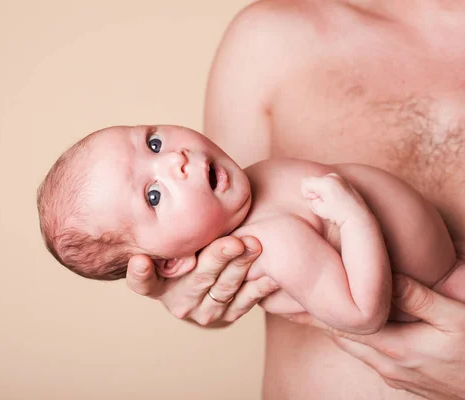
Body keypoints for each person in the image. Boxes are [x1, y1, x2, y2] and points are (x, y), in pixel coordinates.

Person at [125, 1, 465, 399]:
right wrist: (193, 287)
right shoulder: (268, 41)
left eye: (155, 142)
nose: (174, 161)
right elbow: (228, 259)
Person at [37, 123, 458, 334]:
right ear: (174, 262)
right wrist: (353, 216)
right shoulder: (270, 244)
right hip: (447, 289)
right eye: (153, 196)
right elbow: (362, 314)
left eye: (153, 144)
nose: (175, 160)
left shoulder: (245, 189)